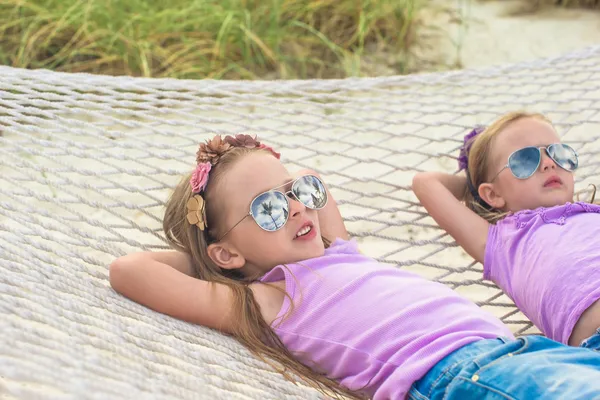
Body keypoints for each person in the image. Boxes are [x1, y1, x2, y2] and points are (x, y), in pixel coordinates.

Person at [111, 133, 600, 400]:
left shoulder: (337, 250)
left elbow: (310, 176)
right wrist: (213, 259)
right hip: (456, 375)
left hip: (518, 352)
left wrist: (271, 189)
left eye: (297, 198)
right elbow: (131, 269)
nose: (299, 208)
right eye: (269, 209)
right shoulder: (268, 299)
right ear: (228, 254)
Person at [412, 110, 600, 349]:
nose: (549, 163)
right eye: (525, 160)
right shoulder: (501, 242)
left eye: (558, 153)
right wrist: (473, 187)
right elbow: (426, 183)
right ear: (492, 193)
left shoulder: (592, 212)